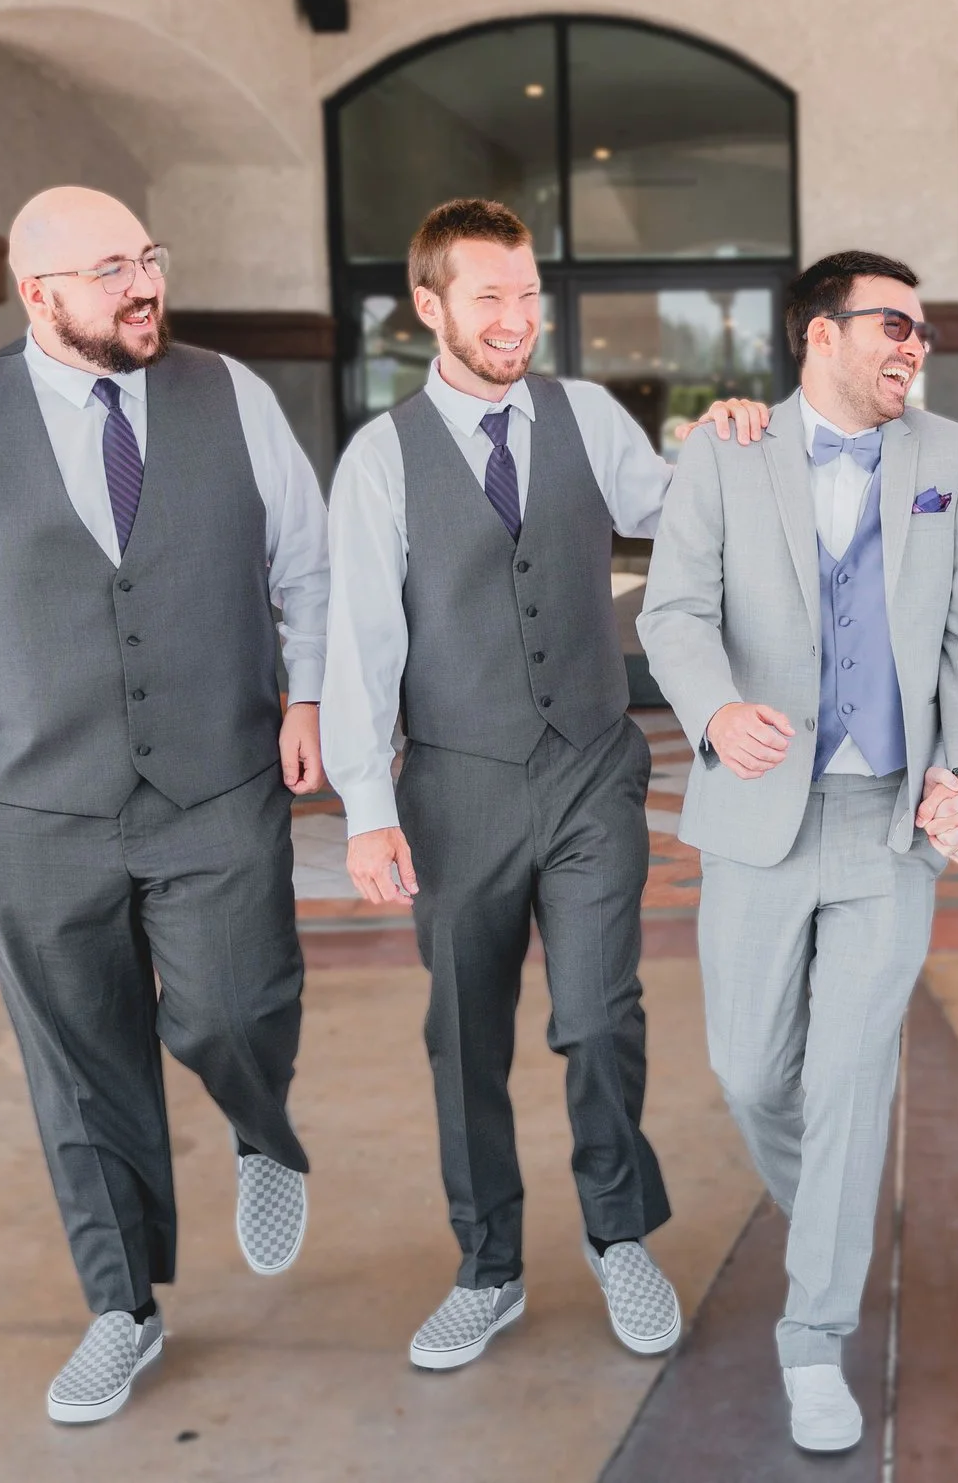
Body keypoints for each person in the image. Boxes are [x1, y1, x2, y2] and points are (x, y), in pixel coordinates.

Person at [0, 185, 329, 1424]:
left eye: (148, 257)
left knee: (237, 1001)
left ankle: (260, 1127)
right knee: (79, 1066)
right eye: (111, 268)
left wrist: (313, 692)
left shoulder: (232, 395)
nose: (143, 284)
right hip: (30, 804)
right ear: (39, 291)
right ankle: (122, 1307)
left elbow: (308, 563)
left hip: (215, 779)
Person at [320, 198, 767, 1371]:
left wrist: (725, 441)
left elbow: (677, 511)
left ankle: (620, 1236)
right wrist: (367, 811)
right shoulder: (380, 458)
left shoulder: (586, 416)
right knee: (465, 1037)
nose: (517, 318)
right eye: (490, 297)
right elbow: (359, 644)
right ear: (430, 307)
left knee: (601, 1015)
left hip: (588, 771)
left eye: (527, 295)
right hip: (456, 786)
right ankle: (489, 1266)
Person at [638, 250, 958, 1454]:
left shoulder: (952, 458)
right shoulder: (725, 449)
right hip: (757, 815)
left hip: (889, 822)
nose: (915, 344)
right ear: (820, 334)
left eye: (922, 329)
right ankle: (834, 1217)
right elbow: (673, 611)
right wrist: (712, 710)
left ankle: (814, 1334)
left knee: (850, 1080)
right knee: (751, 1071)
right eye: (892, 324)